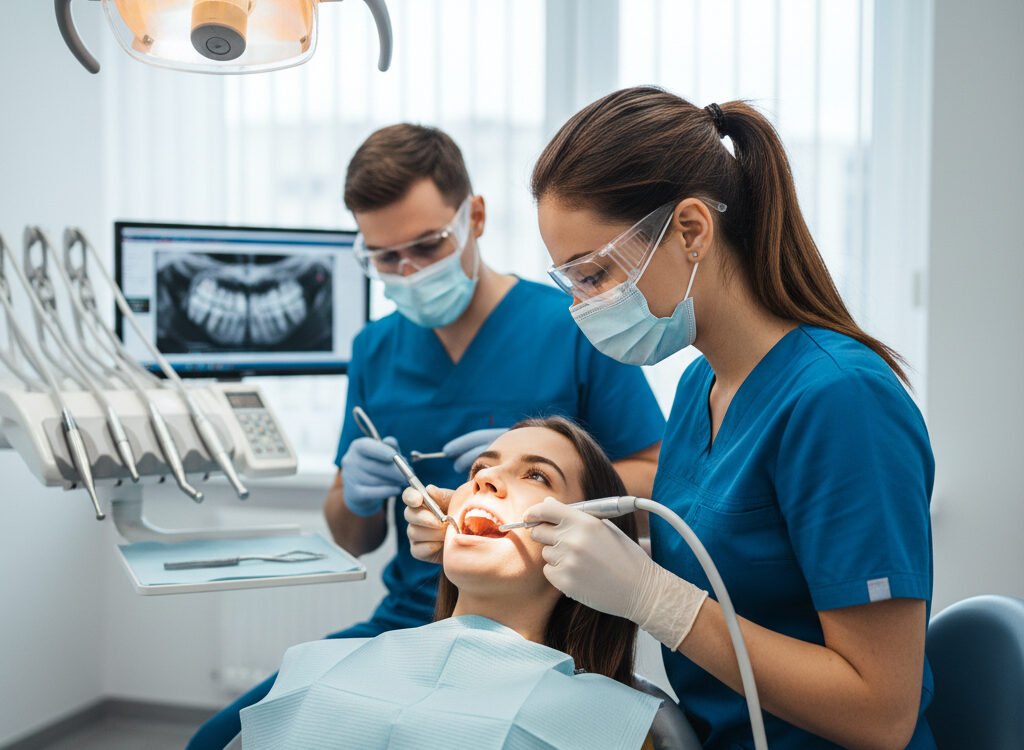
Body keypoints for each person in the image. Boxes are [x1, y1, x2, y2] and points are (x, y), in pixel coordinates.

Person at [407, 87, 936, 749]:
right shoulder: (698, 389)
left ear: (691, 230)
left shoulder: (841, 401)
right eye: (570, 282)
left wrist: (660, 603)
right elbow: (726, 552)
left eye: (596, 274)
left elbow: (881, 714)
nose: (582, 307)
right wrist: (490, 522)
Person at [188, 123, 665, 749]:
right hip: (407, 623)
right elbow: (351, 536)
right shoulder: (375, 349)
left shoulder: (575, 325)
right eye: (386, 257)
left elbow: (656, 481)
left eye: (428, 245)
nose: (408, 271)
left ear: (476, 216)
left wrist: (531, 478)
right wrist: (355, 496)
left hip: (541, 627)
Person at [239, 418, 667, 750]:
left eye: (536, 476)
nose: (483, 479)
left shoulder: (605, 722)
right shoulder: (318, 669)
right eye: (482, 467)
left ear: (584, 539)